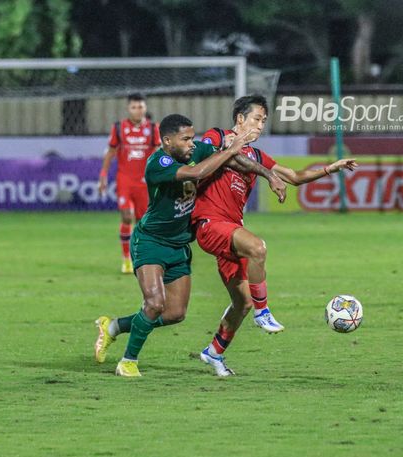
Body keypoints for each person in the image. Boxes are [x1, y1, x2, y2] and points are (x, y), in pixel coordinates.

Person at [92, 114, 286, 377]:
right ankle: (128, 361)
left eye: (193, 138)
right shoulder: (158, 162)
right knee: (154, 303)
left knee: (175, 313)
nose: (192, 144)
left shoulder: (196, 150)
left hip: (179, 245)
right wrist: (230, 148)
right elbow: (198, 172)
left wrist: (268, 175)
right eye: (185, 139)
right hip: (150, 242)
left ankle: (112, 327)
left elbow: (233, 159)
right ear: (167, 141)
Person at [193, 95, 357, 376]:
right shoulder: (217, 137)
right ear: (240, 119)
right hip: (209, 223)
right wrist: (268, 176)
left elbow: (293, 176)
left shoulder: (257, 156)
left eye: (264, 121)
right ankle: (263, 311)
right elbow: (224, 160)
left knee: (241, 302)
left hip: (232, 231)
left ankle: (214, 353)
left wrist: (330, 169)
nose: (260, 125)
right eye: (256, 119)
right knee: (258, 247)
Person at [98, 93, 160, 274]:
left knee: (143, 222)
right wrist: (103, 176)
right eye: (134, 107)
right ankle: (126, 259)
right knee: (127, 216)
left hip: (145, 183)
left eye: (140, 107)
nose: (137, 110)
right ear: (128, 109)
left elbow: (157, 154)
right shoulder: (119, 128)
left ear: (145, 108)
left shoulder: (153, 128)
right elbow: (110, 152)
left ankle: (140, 257)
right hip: (125, 180)